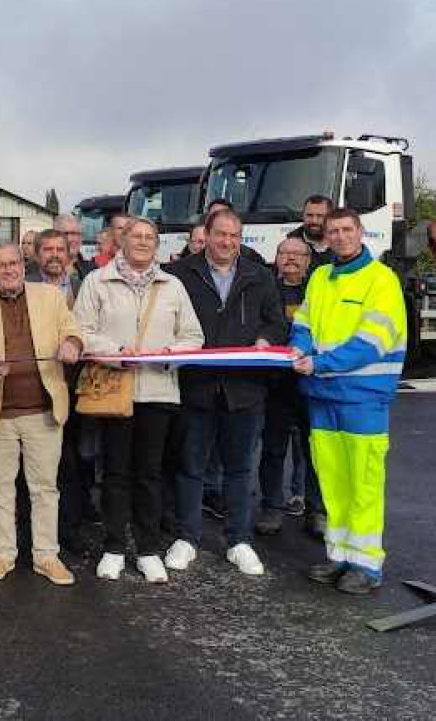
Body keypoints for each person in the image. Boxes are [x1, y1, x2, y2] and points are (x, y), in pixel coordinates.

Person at [73, 217, 205, 583]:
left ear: (157, 244)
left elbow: (194, 336)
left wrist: (168, 352)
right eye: (136, 236)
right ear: (122, 240)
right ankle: (114, 546)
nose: (143, 242)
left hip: (159, 391)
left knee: (150, 474)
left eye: (150, 237)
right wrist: (115, 352)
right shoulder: (96, 282)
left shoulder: (173, 285)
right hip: (115, 391)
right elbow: (81, 330)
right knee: (115, 473)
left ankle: (148, 549)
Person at [290, 208, 406, 595]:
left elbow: (372, 343)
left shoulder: (381, 280)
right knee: (333, 483)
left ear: (360, 232)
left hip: (362, 398)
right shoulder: (320, 277)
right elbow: (302, 325)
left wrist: (318, 363)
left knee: (364, 483)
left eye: (346, 229)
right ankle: (339, 555)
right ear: (325, 236)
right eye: (332, 231)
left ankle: (366, 565)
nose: (339, 236)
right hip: (322, 395)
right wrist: (300, 351)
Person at [170, 209, 284, 577]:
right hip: (195, 388)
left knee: (239, 469)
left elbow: (276, 321)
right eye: (221, 234)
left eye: (235, 236)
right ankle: (187, 537)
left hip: (244, 390)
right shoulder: (179, 275)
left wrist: (267, 339)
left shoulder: (259, 275)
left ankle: (239, 541)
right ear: (207, 233)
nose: (228, 242)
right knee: (190, 467)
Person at [0, 243, 82, 587]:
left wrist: (72, 345)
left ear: (23, 264)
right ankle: (3, 553)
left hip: (44, 410)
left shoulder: (50, 296)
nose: (7, 270)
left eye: (13, 263)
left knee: (45, 489)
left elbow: (73, 331)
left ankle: (46, 556)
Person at [26, 229, 91, 555]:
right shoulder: (24, 286)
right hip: (35, 385)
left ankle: (68, 529)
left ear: (69, 253)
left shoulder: (84, 285)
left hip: (76, 384)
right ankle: (27, 531)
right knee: (33, 464)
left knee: (71, 461)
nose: (54, 255)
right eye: (47, 249)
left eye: (59, 249)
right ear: (37, 255)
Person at [255, 237, 317, 535]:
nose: (290, 258)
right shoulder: (263, 288)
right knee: (273, 449)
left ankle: (316, 510)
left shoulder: (319, 289)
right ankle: (271, 508)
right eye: (284, 253)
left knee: (314, 450)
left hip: (312, 380)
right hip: (275, 384)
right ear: (276, 257)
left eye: (297, 254)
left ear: (307, 259)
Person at [287, 195, 334, 270]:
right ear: (303, 216)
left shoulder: (342, 245)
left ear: (331, 217)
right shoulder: (289, 246)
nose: (314, 221)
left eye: (320, 216)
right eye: (309, 215)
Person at [52, 213, 94, 281]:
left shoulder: (92, 270)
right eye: (66, 233)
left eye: (77, 234)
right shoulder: (38, 269)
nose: (72, 239)